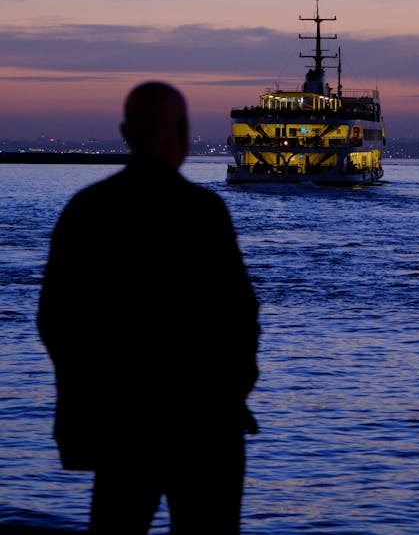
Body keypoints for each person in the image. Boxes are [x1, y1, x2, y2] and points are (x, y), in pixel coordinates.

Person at [37, 81, 260, 534]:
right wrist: (230, 394)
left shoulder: (87, 209)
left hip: (120, 426)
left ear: (126, 132)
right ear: (182, 134)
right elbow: (240, 318)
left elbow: (56, 320)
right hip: (205, 424)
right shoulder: (202, 211)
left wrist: (91, 402)